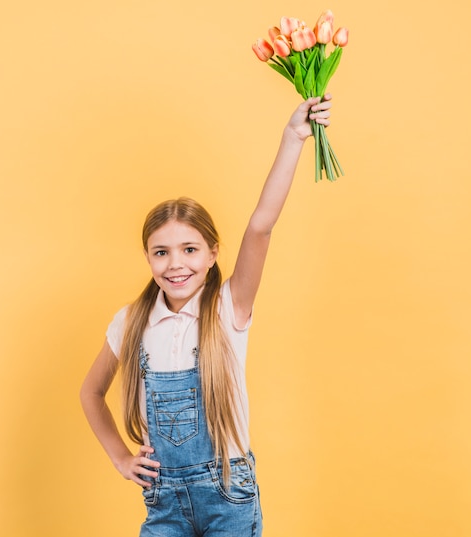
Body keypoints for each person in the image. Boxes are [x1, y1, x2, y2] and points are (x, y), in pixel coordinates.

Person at [80, 94, 333, 537]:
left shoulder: (228, 309)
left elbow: (261, 225)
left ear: (213, 254)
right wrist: (121, 457)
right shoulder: (131, 322)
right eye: (162, 252)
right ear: (148, 258)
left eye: (190, 250)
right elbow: (90, 392)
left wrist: (294, 135)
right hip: (165, 504)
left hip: (228, 499)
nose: (176, 264)